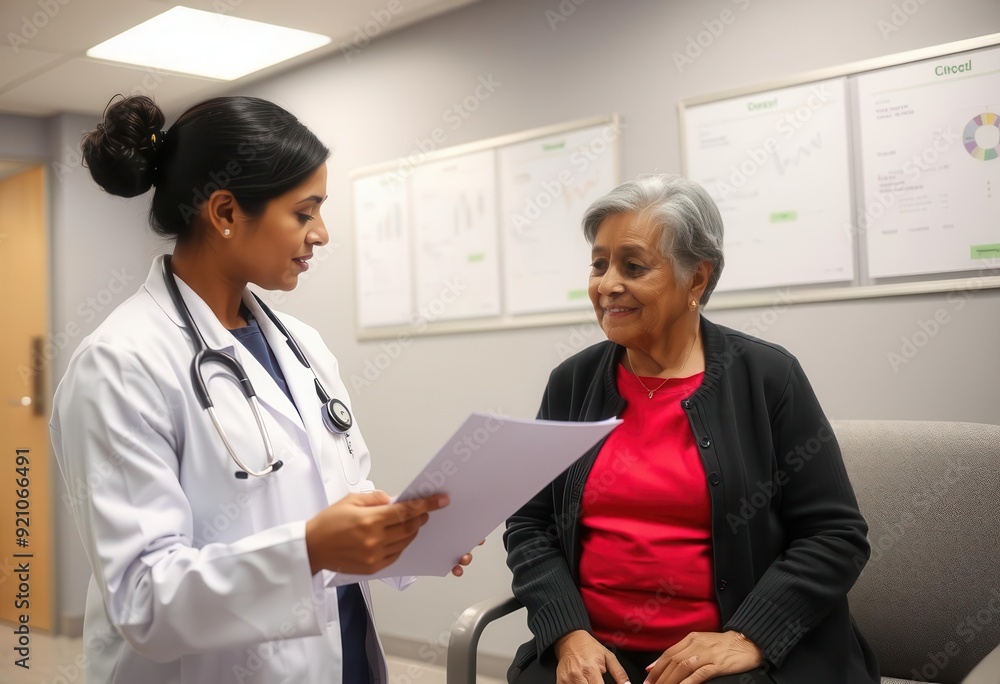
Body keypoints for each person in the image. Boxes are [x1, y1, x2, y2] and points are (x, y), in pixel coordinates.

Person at [50, 94, 474, 684]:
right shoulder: (120, 365)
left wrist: (403, 533)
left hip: (345, 657)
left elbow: (337, 494)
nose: (322, 234)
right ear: (225, 212)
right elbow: (143, 599)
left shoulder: (300, 343)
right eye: (304, 213)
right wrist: (308, 551)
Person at [504, 175, 878, 684]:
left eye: (633, 266)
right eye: (599, 264)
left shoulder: (767, 378)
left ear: (697, 279)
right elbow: (530, 526)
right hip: (597, 653)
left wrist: (748, 637)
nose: (607, 284)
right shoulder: (572, 384)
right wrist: (568, 633)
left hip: (729, 653)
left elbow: (835, 535)